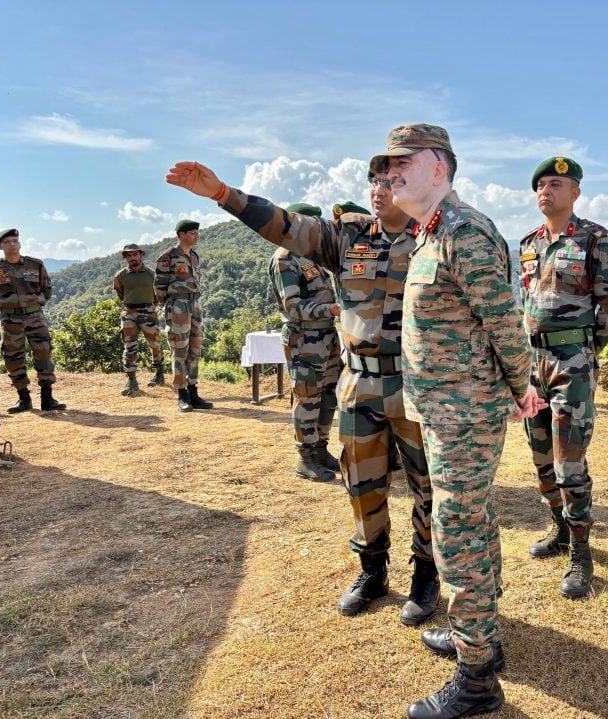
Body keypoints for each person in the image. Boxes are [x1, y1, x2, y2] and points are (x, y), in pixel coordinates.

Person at [164, 163, 441, 628]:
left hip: (417, 384)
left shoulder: (437, 238)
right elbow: (286, 226)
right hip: (359, 383)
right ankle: (372, 571)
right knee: (361, 482)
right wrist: (224, 194)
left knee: (427, 486)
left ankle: (426, 575)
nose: (379, 190)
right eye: (375, 181)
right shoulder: (347, 238)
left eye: (392, 182)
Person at [374, 124, 544, 719]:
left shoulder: (463, 232)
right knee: (472, 519)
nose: (390, 174)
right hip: (446, 409)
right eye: (385, 166)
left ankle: (476, 678)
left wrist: (523, 388)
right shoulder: (430, 233)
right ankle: (482, 636)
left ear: (441, 168)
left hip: (465, 413)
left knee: (458, 532)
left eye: (403, 163)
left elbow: (504, 321)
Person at [519, 156, 608, 598]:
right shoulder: (527, 243)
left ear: (575, 191)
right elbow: (519, 303)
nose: (546, 190)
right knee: (541, 455)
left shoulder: (595, 238)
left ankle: (581, 552)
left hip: (571, 362)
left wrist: (584, 350)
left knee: (569, 462)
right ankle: (559, 529)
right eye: (541, 184)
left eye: (556, 184)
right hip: (531, 362)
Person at [270, 203, 341, 481]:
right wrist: (331, 310)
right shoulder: (285, 258)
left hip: (326, 336)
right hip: (304, 337)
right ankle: (305, 457)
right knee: (306, 398)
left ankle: (320, 449)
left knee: (328, 396)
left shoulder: (311, 257)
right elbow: (293, 306)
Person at [0, 228, 65, 412]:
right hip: (10, 320)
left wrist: (37, 302)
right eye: (7, 241)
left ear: (20, 244)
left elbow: (46, 289)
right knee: (13, 358)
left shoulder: (35, 265)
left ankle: (47, 399)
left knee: (44, 355)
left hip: (35, 317)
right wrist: (2, 304)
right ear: (1, 246)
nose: (12, 244)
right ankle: (24, 399)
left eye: (15, 241)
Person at [154, 219, 213, 412]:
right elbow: (159, 287)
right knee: (179, 350)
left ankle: (193, 391)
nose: (196, 235)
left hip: (195, 304)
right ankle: (181, 394)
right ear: (181, 235)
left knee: (195, 349)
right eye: (192, 233)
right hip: (178, 305)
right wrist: (171, 306)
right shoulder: (168, 257)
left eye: (197, 232)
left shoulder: (194, 256)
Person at [113, 243, 165, 396]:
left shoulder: (151, 275)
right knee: (129, 347)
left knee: (155, 344)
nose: (132, 258)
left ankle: (159, 373)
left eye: (135, 255)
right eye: (129, 255)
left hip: (148, 311)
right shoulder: (120, 276)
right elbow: (120, 294)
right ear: (125, 258)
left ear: (141, 255)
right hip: (129, 312)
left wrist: (148, 305)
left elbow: (158, 295)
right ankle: (131, 381)